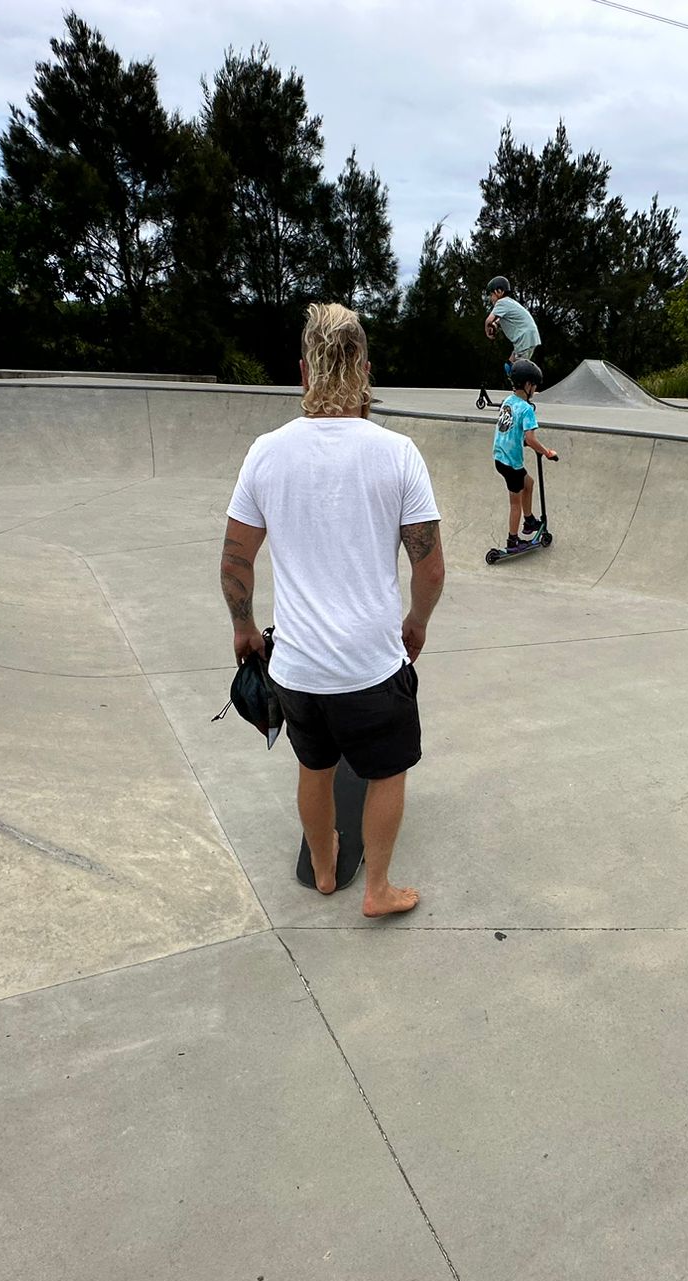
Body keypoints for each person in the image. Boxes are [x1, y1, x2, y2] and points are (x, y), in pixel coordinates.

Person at [220, 303, 445, 917]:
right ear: (366, 371)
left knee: (314, 767)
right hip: (372, 665)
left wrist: (243, 626)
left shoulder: (266, 452)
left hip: (297, 670)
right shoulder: (397, 453)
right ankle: (377, 891)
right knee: (388, 770)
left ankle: (324, 870)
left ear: (303, 372)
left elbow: (235, 562)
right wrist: (416, 623)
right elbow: (429, 566)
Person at [493, 360, 558, 552]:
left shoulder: (508, 402)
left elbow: (509, 429)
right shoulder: (527, 409)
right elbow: (530, 438)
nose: (535, 390)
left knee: (528, 483)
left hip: (500, 457)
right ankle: (512, 541)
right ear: (528, 385)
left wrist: (522, 442)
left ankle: (529, 521)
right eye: (535, 386)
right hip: (511, 463)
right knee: (515, 503)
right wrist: (546, 452)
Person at [483, 275, 541, 384]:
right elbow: (497, 321)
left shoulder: (502, 302)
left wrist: (487, 331)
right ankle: (519, 390)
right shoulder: (509, 303)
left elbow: (488, 320)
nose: (491, 299)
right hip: (525, 338)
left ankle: (522, 394)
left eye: (491, 295)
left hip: (524, 338)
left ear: (499, 291)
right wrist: (494, 326)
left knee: (519, 370)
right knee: (509, 366)